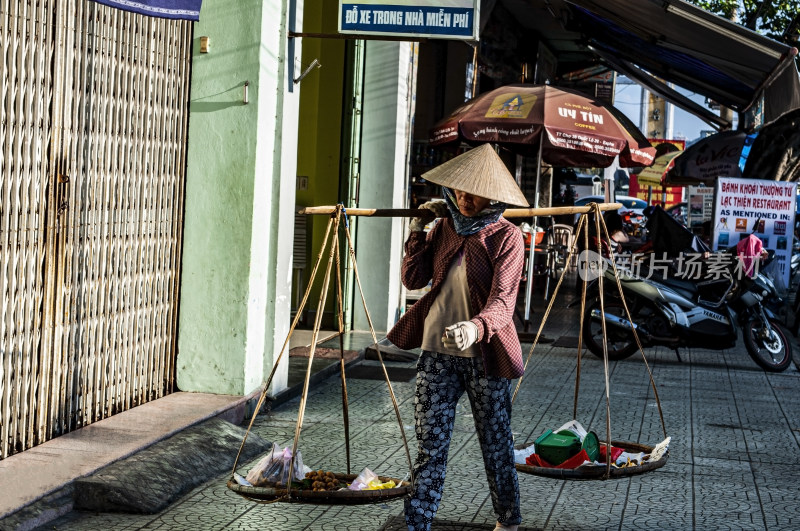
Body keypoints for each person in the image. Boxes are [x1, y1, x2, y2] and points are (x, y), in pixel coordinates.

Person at [386, 144, 528, 531]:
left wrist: (475, 327)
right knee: (430, 446)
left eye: (475, 192)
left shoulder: (507, 237)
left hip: (485, 357)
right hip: (438, 354)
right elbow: (413, 279)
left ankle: (508, 518)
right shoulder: (444, 226)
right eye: (460, 190)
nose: (465, 197)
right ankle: (417, 523)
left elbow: (503, 301)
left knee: (495, 443)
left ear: (493, 196)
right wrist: (418, 230)